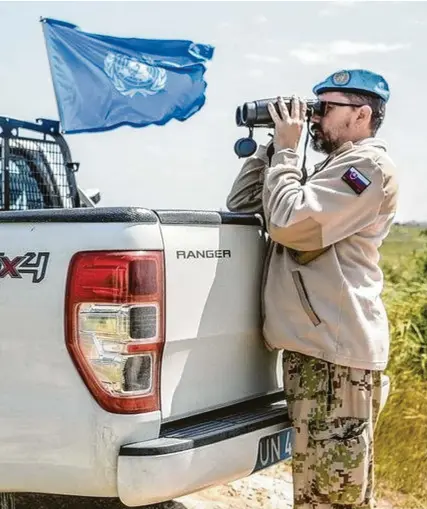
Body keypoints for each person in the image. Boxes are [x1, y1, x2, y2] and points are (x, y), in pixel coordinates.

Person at [226, 69, 399, 509]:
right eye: (314, 107)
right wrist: (271, 148)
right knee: (331, 492)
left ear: (362, 114)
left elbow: (288, 224)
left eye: (327, 109)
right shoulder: (331, 166)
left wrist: (287, 152)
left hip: (336, 355)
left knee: (329, 498)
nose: (315, 118)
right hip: (320, 350)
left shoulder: (367, 167)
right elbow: (245, 205)